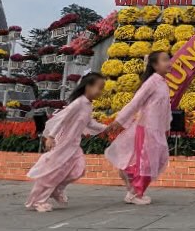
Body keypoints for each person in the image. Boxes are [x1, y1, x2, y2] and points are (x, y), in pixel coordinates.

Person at [24, 72, 108, 212]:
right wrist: (51, 137)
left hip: (74, 145)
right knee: (52, 173)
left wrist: (107, 127)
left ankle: (57, 189)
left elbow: (90, 123)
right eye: (99, 88)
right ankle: (38, 201)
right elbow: (62, 120)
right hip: (62, 144)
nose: (100, 92)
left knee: (78, 170)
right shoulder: (77, 103)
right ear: (87, 86)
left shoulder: (88, 105)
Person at [104, 51, 172, 205]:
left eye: (169, 59)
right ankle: (135, 193)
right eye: (165, 60)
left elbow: (165, 108)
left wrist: (166, 126)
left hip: (157, 129)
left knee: (158, 160)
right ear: (155, 65)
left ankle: (128, 173)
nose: (169, 63)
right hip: (147, 127)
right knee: (148, 162)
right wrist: (119, 121)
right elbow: (135, 102)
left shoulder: (162, 82)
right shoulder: (151, 83)